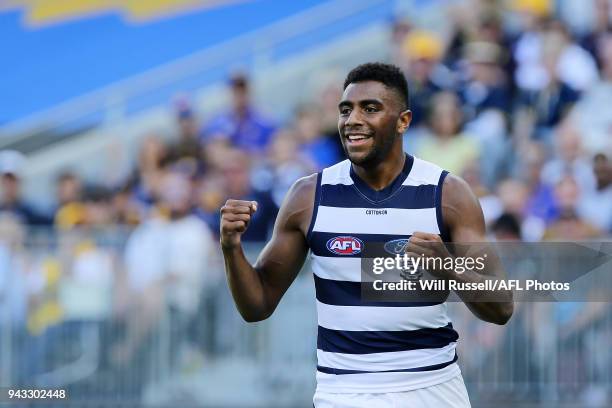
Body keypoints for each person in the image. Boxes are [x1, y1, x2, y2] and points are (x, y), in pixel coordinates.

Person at [220, 63, 513, 407]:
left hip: (432, 386)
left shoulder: (448, 194)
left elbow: (501, 307)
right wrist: (230, 247)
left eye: (370, 108)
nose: (352, 119)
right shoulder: (308, 196)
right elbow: (257, 305)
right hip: (344, 392)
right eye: (346, 110)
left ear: (403, 121)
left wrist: (448, 269)